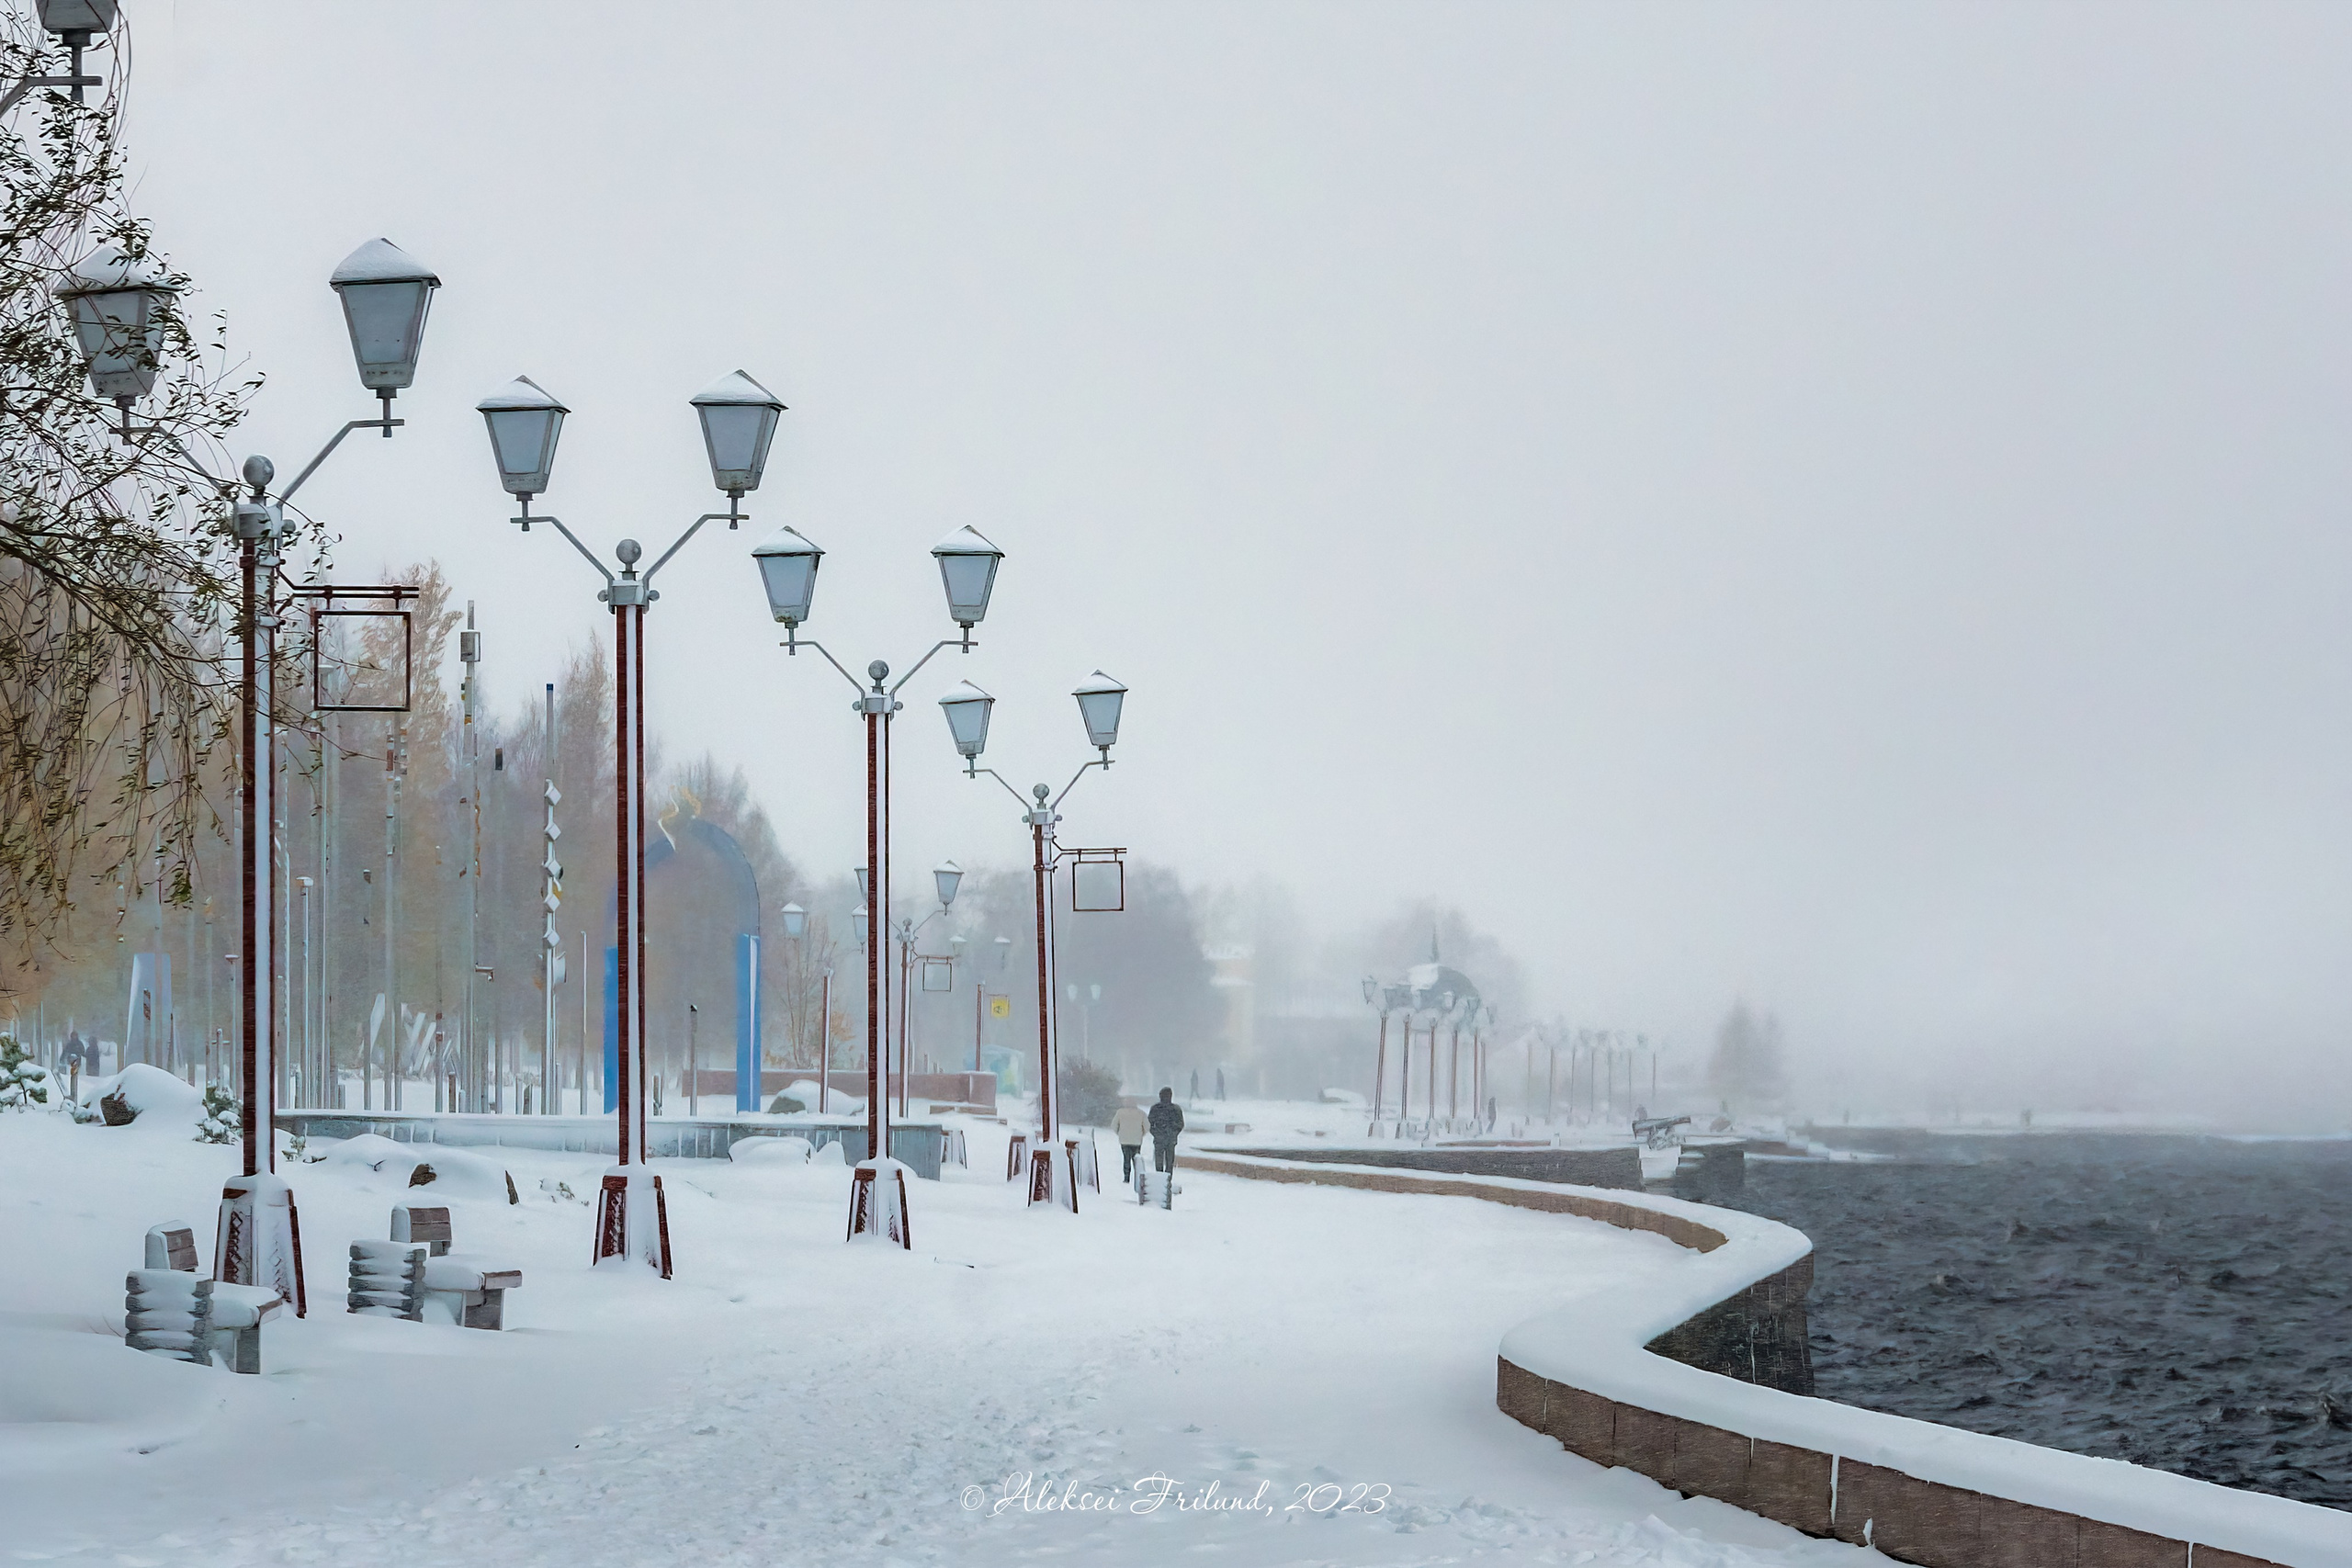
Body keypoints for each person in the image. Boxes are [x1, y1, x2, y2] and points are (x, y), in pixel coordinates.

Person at [1148, 1086, 1184, 1174]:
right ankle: (1165, 1179)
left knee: (1165, 1162)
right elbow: (1149, 1124)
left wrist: (1171, 1133)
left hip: (1166, 1139)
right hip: (1165, 1139)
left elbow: (1180, 1124)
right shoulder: (1157, 1108)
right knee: (1166, 1162)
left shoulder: (1175, 1109)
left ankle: (1163, 1179)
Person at [1112, 1100, 1149, 1182]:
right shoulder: (1141, 1113)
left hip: (1124, 1140)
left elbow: (1114, 1125)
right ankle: (1138, 1177)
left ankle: (1126, 1177)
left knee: (1126, 1159)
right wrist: (1141, 1134)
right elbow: (1147, 1126)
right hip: (1136, 1141)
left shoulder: (1120, 1112)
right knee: (1136, 1160)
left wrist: (1120, 1133)